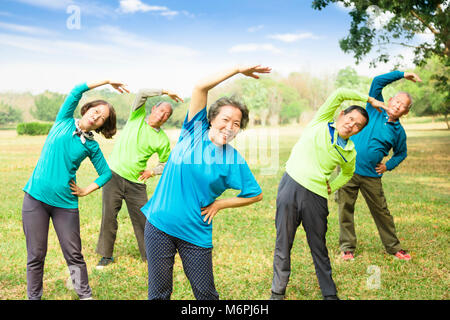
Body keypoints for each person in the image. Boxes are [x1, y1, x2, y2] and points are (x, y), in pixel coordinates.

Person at [141, 65, 270, 300]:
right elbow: (201, 86)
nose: (229, 128)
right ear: (211, 119)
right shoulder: (194, 130)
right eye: (225, 119)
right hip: (159, 225)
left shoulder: (233, 159)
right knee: (158, 295)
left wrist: (220, 204)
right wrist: (238, 69)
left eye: (236, 124)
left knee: (206, 295)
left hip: (195, 232)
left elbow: (255, 194)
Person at [270, 88, 385, 300]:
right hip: (291, 186)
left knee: (318, 245)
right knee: (283, 241)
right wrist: (370, 100)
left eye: (357, 125)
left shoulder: (349, 152)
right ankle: (277, 292)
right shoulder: (321, 122)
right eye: (350, 118)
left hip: (316, 197)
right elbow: (340, 93)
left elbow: (348, 172)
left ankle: (329, 294)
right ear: (341, 115)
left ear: (358, 131)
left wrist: (332, 184)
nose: (351, 124)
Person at [22, 79, 128, 300]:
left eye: (102, 118)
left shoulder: (91, 145)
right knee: (36, 255)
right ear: (88, 108)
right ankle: (34, 297)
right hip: (35, 199)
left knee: (74, 255)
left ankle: (85, 295)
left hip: (65, 205)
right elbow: (77, 90)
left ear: (101, 126)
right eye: (96, 110)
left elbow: (106, 173)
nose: (96, 116)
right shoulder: (63, 120)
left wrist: (87, 189)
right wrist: (107, 81)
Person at [338, 71, 422, 262]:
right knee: (345, 208)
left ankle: (394, 248)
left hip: (371, 176)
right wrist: (402, 74)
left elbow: (401, 153)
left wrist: (387, 166)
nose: (398, 106)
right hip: (347, 169)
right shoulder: (374, 107)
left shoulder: (398, 132)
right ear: (390, 100)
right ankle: (347, 248)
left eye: (403, 106)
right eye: (397, 101)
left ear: (406, 112)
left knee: (382, 212)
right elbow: (377, 81)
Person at [96, 88, 183, 268]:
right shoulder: (136, 118)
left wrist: (152, 172)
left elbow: (167, 163)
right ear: (153, 110)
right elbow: (142, 93)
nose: (162, 116)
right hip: (113, 174)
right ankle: (106, 255)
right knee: (109, 216)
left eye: (167, 115)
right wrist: (165, 91)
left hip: (136, 183)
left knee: (144, 221)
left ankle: (149, 256)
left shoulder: (162, 140)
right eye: (161, 111)